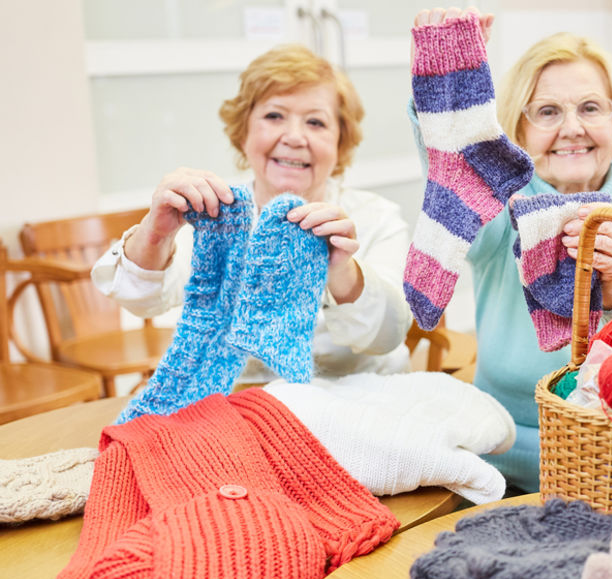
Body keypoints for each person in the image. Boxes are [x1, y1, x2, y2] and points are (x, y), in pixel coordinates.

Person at [408, 8, 612, 494]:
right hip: (495, 458)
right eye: (549, 111)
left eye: (591, 108)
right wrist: (441, 78)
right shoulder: (499, 204)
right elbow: (452, 173)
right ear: (520, 129)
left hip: (610, 462)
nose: (573, 128)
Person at [92, 44, 413, 385]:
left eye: (316, 122)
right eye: (274, 116)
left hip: (357, 397)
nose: (293, 137)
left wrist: (342, 270)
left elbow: (387, 335)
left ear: (340, 143)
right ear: (243, 132)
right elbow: (141, 299)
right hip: (238, 404)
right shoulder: (217, 213)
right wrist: (155, 233)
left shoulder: (376, 219)